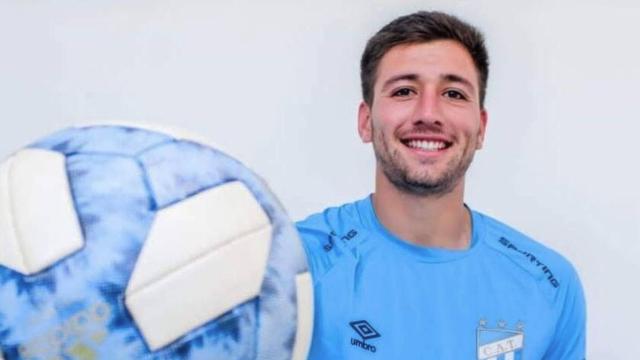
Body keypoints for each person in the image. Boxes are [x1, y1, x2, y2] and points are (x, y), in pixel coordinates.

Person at [296, 11, 586, 359]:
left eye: (453, 93)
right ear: (365, 121)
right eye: (404, 90)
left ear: (481, 127)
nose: (429, 113)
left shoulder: (549, 283)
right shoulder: (295, 265)